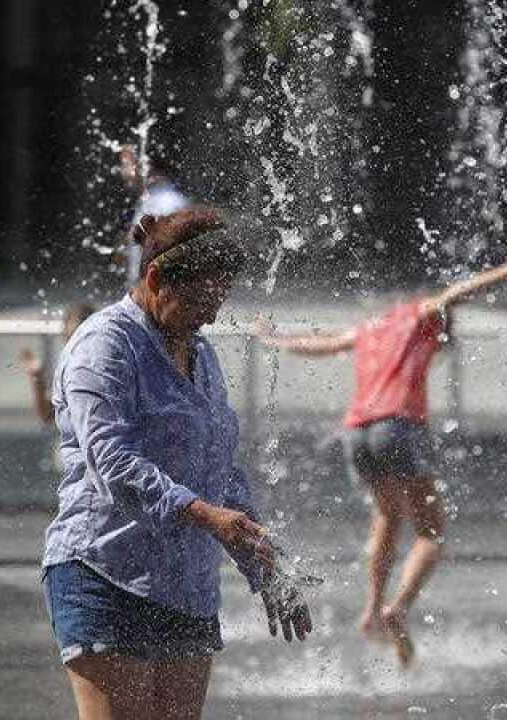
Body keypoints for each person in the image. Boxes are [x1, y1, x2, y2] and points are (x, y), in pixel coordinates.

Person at [43, 206, 312, 719]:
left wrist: (265, 569)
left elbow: (220, 468)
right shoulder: (104, 347)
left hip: (187, 589)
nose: (209, 316)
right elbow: (112, 462)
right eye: (198, 301)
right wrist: (206, 516)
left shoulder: (200, 353)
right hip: (105, 573)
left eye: (217, 302)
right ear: (155, 277)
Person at [254, 245, 507, 668]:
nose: (441, 345)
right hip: (398, 427)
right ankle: (398, 607)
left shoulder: (370, 328)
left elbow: (324, 344)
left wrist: (271, 338)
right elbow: (458, 292)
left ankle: (370, 610)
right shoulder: (422, 316)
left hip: (357, 432)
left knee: (387, 515)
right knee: (431, 530)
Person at [117, 146, 190, 288]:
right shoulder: (152, 202)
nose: (122, 172)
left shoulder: (164, 204)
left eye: (127, 165)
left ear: (144, 164)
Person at [18, 302, 98, 427]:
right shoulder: (68, 374)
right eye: (72, 342)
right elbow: (48, 415)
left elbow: (48, 415)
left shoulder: (104, 371)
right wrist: (37, 378)